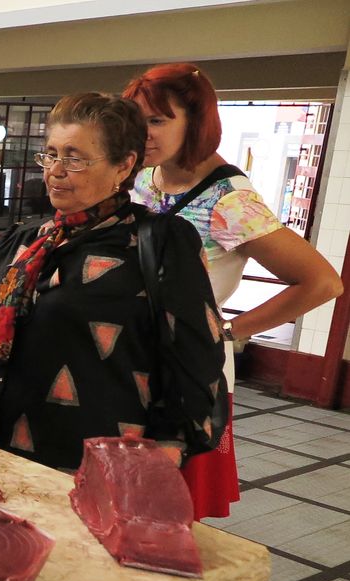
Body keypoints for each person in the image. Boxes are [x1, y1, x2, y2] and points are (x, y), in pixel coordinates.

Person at [0, 93, 228, 581]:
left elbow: (196, 355)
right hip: (17, 445)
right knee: (25, 577)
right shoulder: (28, 239)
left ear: (124, 165)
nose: (57, 169)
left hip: (106, 450)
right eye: (51, 152)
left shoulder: (156, 242)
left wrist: (171, 445)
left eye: (77, 156)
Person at [124, 62, 342, 519]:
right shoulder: (146, 178)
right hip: (131, 355)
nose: (142, 132)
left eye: (158, 120)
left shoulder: (229, 199)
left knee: (172, 509)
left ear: (196, 123)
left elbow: (322, 282)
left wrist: (229, 331)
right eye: (136, 118)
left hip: (187, 367)